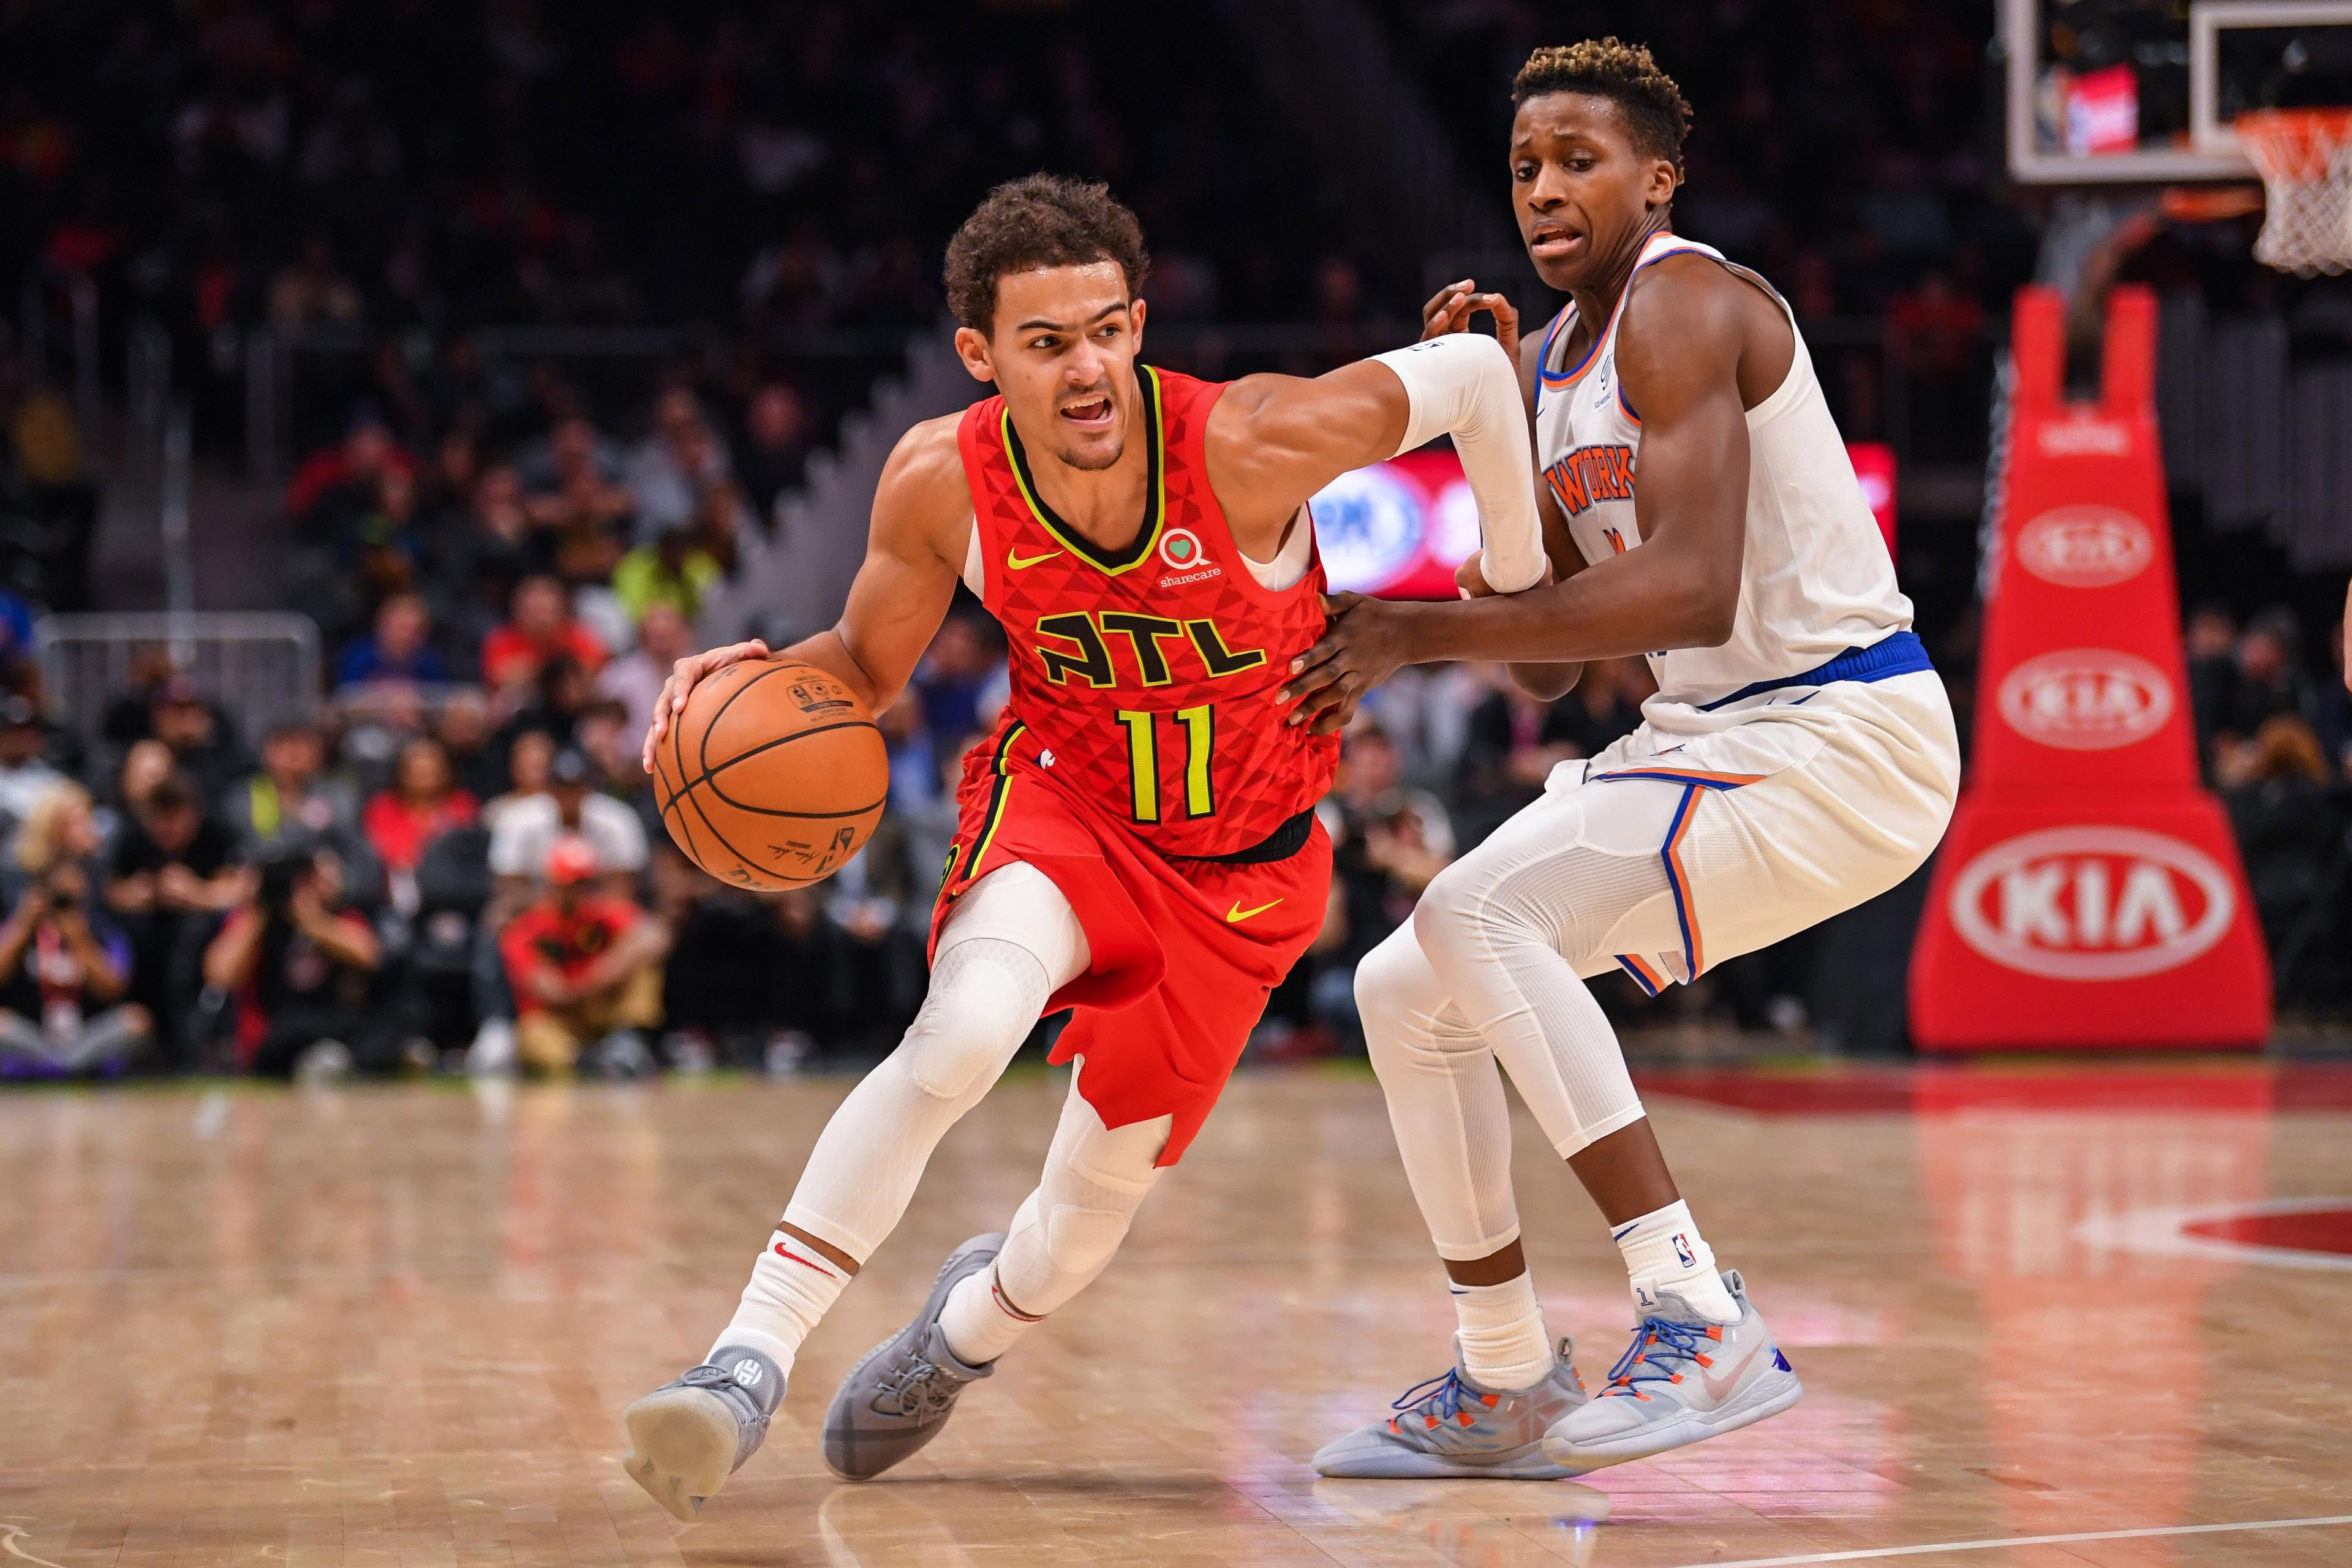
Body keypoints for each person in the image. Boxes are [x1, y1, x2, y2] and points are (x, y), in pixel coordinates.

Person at [619, 172, 1553, 1521]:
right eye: (1047, 344)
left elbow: (1473, 371)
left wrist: (1512, 594)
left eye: (1107, 329)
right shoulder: (944, 477)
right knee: (958, 1032)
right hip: (1069, 807)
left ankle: (962, 1336)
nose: (1088, 369)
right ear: (980, 357)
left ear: (1139, 320)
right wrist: (746, 677)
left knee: (1071, 1235)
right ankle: (740, 1363)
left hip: (1249, 874)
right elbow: (863, 668)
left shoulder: (1246, 440)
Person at [1288, 39, 1959, 1479]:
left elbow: (1690, 592)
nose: (1542, 189)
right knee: (1405, 985)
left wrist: (1416, 629)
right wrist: (1488, 430)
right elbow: (1546, 660)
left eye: (1578, 160)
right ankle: (1505, 1368)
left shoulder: (1685, 304)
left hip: (1840, 724)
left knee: (1478, 913)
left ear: (1656, 178)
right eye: (1525, 165)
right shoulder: (1545, 363)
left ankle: (1692, 1309)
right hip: (1717, 734)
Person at [202, 838, 385, 1078]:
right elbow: (219, 974)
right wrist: (261, 910)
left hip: (331, 1028)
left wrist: (312, 921)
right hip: (271, 1038)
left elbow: (370, 955)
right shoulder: (252, 921)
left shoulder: (338, 916)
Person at [0, 784, 148, 1075]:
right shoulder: (16, 892)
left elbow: (114, 988)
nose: (88, 830)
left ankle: (61, 1064)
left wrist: (77, 934)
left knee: (136, 1020)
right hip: (32, 1026)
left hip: (86, 1028)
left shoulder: (100, 901)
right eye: (75, 822)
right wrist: (25, 922)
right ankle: (64, 1064)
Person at [497, 835, 667, 1074]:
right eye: (568, 884)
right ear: (552, 884)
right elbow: (554, 993)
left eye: (583, 883)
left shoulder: (600, 911)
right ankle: (590, 1063)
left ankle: (628, 1041)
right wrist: (599, 977)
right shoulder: (527, 929)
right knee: (535, 1037)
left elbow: (656, 937)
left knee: (644, 969)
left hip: (599, 1009)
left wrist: (613, 963)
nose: (576, 892)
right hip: (557, 1019)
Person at [363, 736, 479, 910]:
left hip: (453, 898)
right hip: (391, 897)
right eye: (417, 770)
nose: (423, 775)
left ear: (445, 771)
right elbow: (387, 854)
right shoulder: (382, 807)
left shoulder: (462, 805)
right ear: (402, 772)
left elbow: (465, 855)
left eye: (430, 770)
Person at [480, 575, 608, 694]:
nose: (540, 619)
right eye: (533, 611)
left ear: (562, 611)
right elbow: (498, 677)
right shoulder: (502, 639)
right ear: (517, 611)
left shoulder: (578, 634)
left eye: (545, 611)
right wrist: (551, 665)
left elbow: (596, 668)